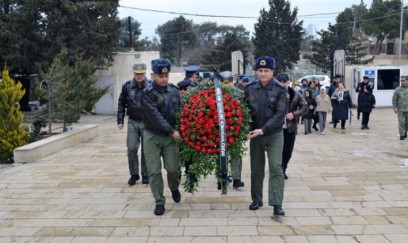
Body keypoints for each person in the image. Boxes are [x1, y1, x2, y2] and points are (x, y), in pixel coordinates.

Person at [244, 56, 287, 216]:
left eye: (266, 71)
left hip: (274, 134)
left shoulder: (280, 89)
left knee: (276, 167)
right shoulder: (249, 88)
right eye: (260, 71)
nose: (263, 74)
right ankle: (256, 199)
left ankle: (277, 203)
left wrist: (263, 130)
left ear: (272, 71)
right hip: (255, 135)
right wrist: (245, 129)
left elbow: (280, 114)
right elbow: (243, 111)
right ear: (256, 71)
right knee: (256, 168)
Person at [142, 58, 182, 216]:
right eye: (160, 76)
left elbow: (180, 112)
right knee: (154, 171)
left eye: (166, 76)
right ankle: (159, 201)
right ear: (153, 76)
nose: (164, 78)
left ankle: (174, 187)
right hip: (152, 135)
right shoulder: (147, 93)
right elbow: (155, 116)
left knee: (173, 169)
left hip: (170, 138)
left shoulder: (174, 91)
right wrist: (173, 131)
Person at [117, 62, 149, 186]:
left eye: (141, 74)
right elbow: (121, 103)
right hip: (133, 121)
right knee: (131, 148)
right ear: (134, 73)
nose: (139, 76)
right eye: (137, 74)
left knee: (146, 150)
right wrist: (120, 120)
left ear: (145, 73)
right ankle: (134, 174)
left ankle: (146, 174)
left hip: (147, 122)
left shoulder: (151, 86)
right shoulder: (127, 86)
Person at [277, 73, 307, 180]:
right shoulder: (272, 94)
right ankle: (279, 171)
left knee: (287, 151)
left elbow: (304, 106)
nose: (282, 84)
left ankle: (283, 168)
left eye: (284, 82)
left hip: (290, 128)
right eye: (280, 81)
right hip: (276, 129)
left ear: (288, 82)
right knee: (277, 151)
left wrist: (293, 114)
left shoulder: (295, 94)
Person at [220, 71, 245, 189]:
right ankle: (222, 177)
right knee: (221, 154)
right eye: (224, 82)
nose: (226, 85)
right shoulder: (215, 94)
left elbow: (245, 111)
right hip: (219, 129)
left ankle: (236, 178)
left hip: (235, 128)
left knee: (235, 154)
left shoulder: (239, 93)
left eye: (228, 82)